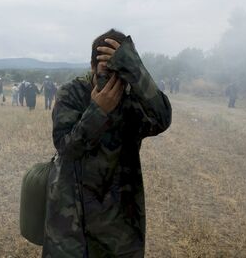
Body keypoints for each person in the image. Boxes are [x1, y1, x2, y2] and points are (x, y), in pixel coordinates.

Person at [44, 29, 172, 257]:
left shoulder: (131, 98)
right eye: (105, 72)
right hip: (73, 215)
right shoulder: (72, 93)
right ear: (92, 67)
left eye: (118, 73)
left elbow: (162, 119)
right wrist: (97, 111)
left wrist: (135, 70)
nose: (112, 80)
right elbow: (66, 148)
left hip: (118, 219)